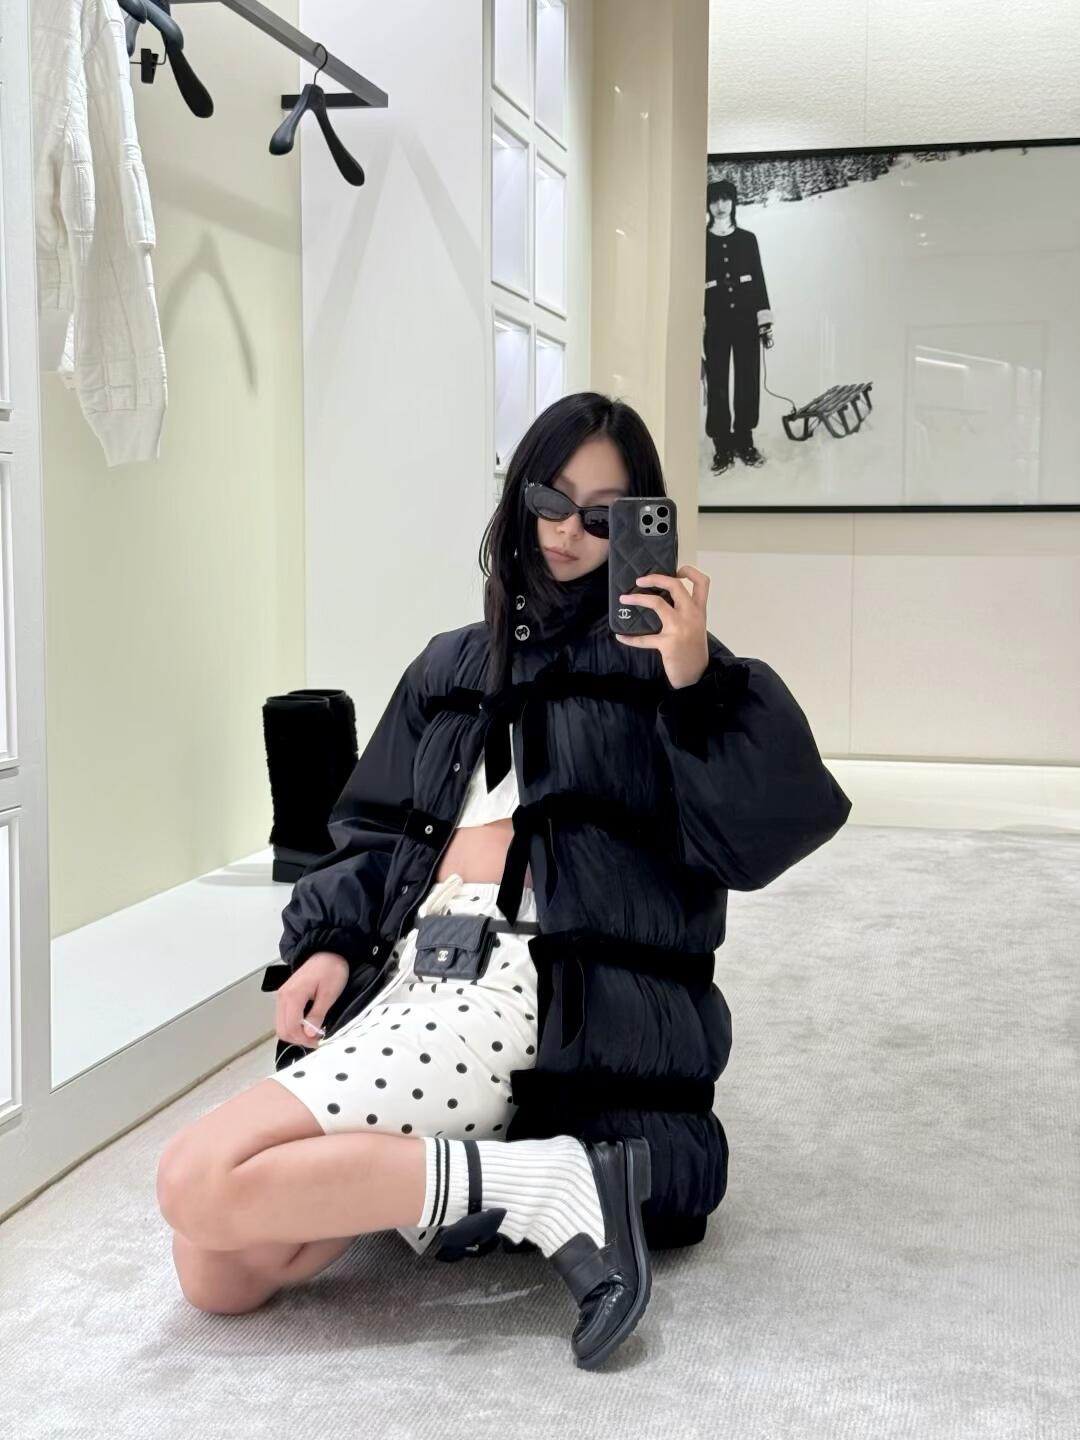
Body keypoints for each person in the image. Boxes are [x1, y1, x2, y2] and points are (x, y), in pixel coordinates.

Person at [156, 393, 852, 1371]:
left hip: (536, 986)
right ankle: (520, 1180)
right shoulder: (449, 665)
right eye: (550, 500)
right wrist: (328, 942)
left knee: (195, 1176)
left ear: (640, 525)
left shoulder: (668, 668)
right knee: (218, 1271)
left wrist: (697, 683)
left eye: (603, 517)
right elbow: (373, 832)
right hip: (413, 973)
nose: (567, 532)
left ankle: (547, 1183)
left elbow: (758, 839)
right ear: (518, 496)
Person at [703, 178, 774, 473]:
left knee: (748, 380)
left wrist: (764, 321)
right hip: (715, 325)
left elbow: (758, 281)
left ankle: (745, 439)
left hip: (746, 322)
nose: (720, 206)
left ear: (733, 202)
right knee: (717, 383)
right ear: (708, 205)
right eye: (714, 200)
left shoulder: (748, 239)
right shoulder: (700, 242)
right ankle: (721, 444)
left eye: (725, 199)